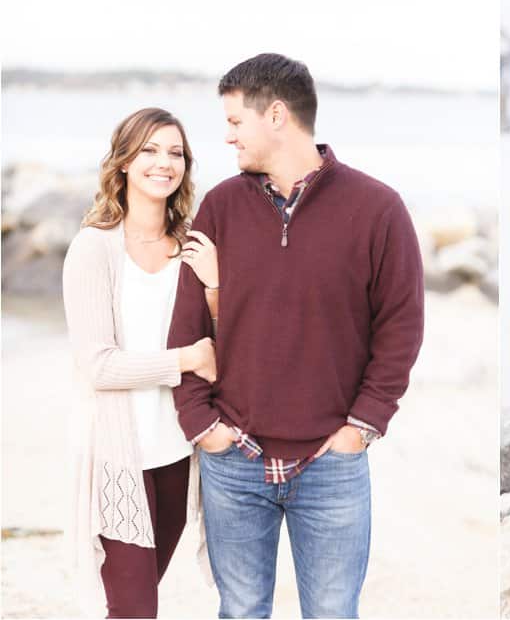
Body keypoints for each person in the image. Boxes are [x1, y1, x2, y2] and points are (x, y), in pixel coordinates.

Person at [168, 53, 425, 618]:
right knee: (240, 612)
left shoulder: (378, 209)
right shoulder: (221, 206)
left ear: (277, 115)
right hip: (234, 457)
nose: (228, 136)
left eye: (236, 122)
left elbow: (401, 325)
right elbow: (187, 324)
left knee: (333, 613)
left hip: (331, 461)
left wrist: (363, 425)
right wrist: (202, 425)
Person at [62, 108, 220, 618]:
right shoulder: (94, 249)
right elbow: (97, 367)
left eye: (175, 152)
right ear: (124, 161)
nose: (163, 162)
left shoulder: (193, 248)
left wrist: (216, 282)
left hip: (177, 455)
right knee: (135, 611)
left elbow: (223, 347)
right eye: (150, 150)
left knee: (131, 605)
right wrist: (184, 360)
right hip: (118, 458)